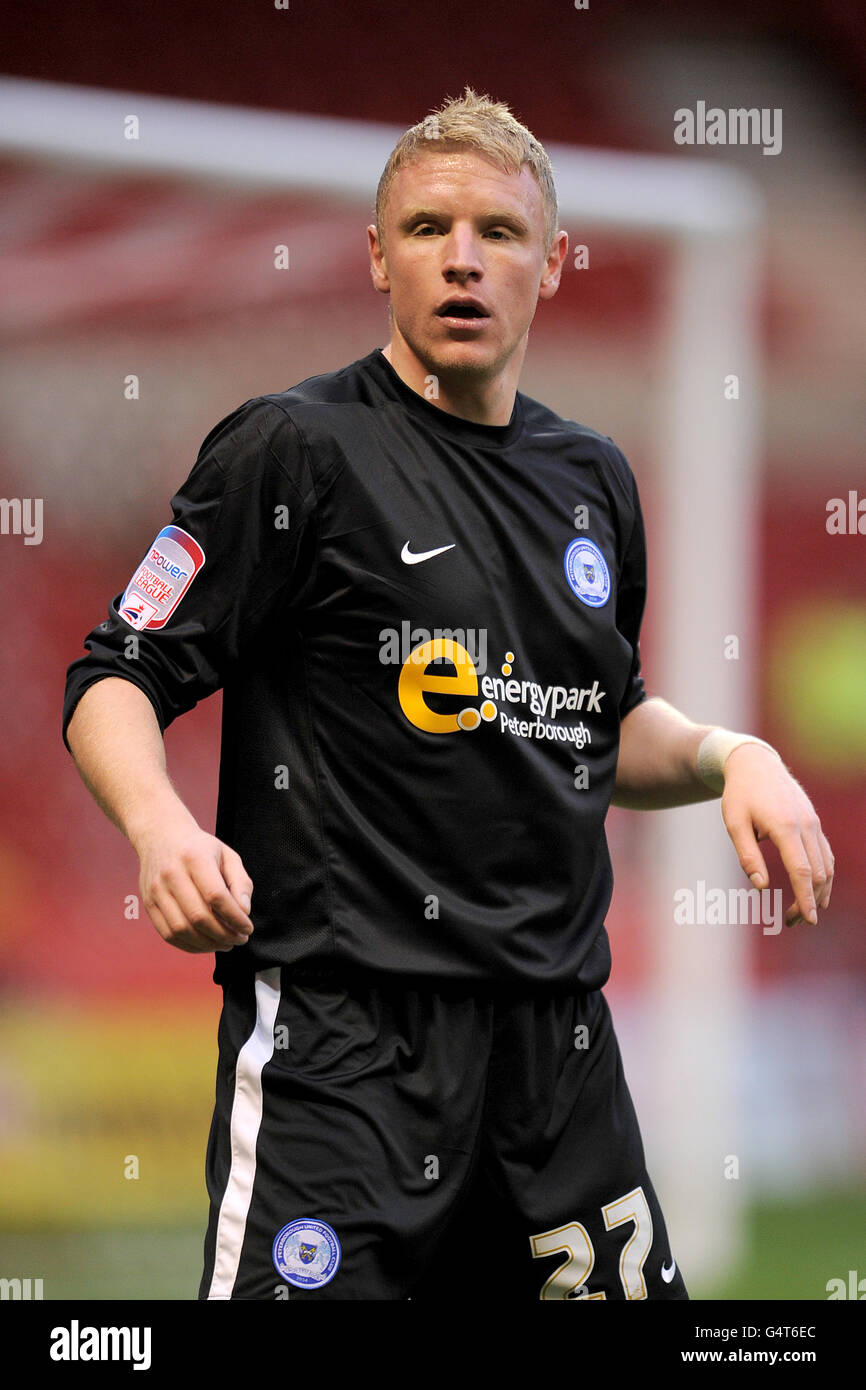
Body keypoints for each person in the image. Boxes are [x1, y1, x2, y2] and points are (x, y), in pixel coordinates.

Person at [62, 88, 833, 1301]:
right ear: (377, 255)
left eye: (497, 232)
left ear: (554, 262)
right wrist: (159, 828)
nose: (460, 261)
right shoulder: (294, 452)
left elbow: (595, 719)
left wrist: (731, 754)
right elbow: (116, 670)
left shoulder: (590, 480)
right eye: (425, 230)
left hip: (554, 1055)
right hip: (342, 1051)